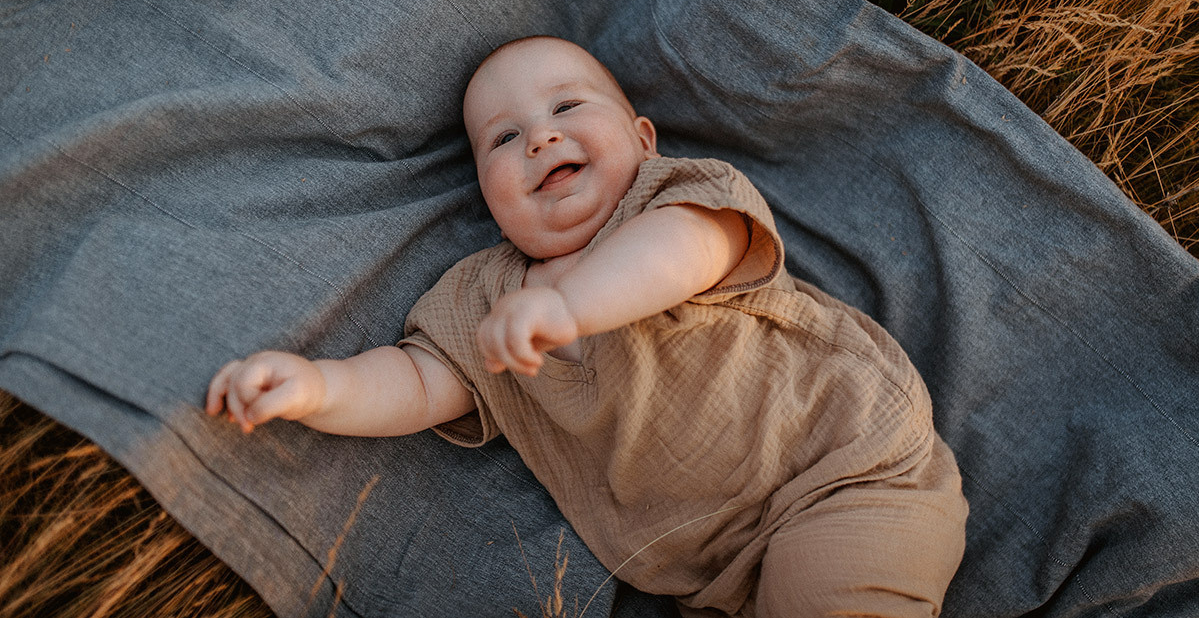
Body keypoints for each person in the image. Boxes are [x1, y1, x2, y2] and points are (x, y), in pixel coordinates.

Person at [206, 36, 968, 617]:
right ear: (487, 196)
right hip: (717, 576)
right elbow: (413, 378)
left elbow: (685, 254)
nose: (539, 137)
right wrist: (317, 385)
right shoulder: (482, 295)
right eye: (503, 139)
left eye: (568, 108)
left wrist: (572, 306)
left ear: (642, 138)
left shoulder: (677, 198)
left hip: (847, 472)